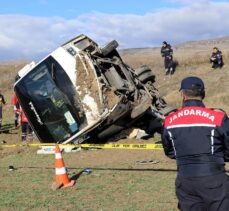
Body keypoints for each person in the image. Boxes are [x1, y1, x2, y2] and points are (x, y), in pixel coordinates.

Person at [162, 76, 229, 210]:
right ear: (203, 94)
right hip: (214, 180)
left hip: (185, 181)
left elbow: (169, 151)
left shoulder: (169, 120)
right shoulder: (218, 117)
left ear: (182, 95)